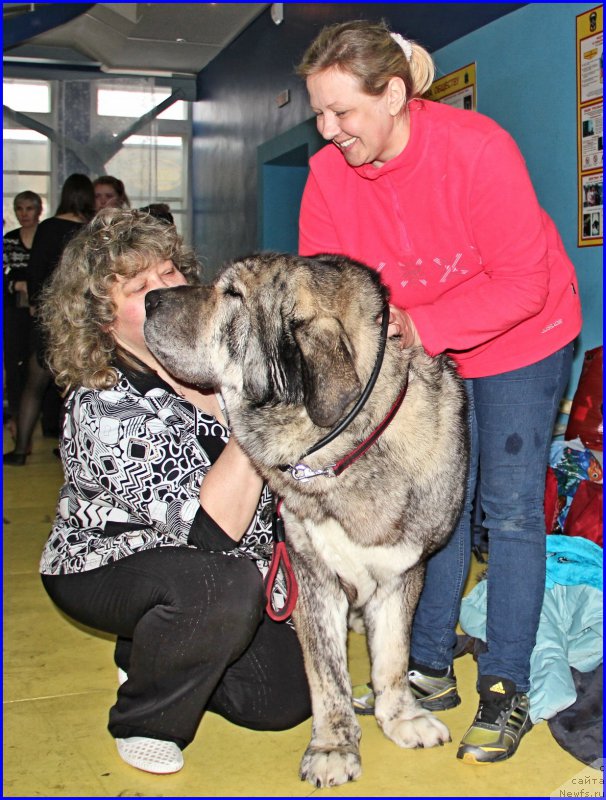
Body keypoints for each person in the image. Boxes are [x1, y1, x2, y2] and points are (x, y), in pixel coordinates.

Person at [297, 20, 582, 765]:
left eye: (342, 111)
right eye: (318, 114)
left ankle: (506, 684)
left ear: (393, 95)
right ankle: (426, 664)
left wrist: (422, 325)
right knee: (434, 505)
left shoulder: (477, 149)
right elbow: (325, 298)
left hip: (521, 334)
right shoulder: (328, 175)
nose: (328, 130)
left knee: (509, 508)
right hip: (419, 347)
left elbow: (523, 283)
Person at [37, 208, 311, 775]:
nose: (163, 289)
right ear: (102, 320)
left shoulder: (209, 357)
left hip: (228, 563)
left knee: (282, 703)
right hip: (110, 562)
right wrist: (254, 406)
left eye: (168, 272)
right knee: (219, 585)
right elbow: (213, 532)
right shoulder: (104, 402)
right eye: (138, 287)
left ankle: (154, 649)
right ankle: (146, 719)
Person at [3, 173, 95, 466]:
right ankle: (76, 452)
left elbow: (36, 270)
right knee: (78, 390)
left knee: (34, 385)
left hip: (51, 316)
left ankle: (20, 450)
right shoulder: (92, 228)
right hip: (83, 318)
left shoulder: (49, 228)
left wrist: (35, 304)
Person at [3, 191, 43, 439]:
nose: (24, 213)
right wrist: (16, 285)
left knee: (38, 365)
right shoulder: (8, 240)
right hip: (14, 311)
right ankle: (16, 417)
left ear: (39, 211)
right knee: (14, 364)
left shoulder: (46, 237)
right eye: (19, 208)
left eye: (29, 208)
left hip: (41, 311)